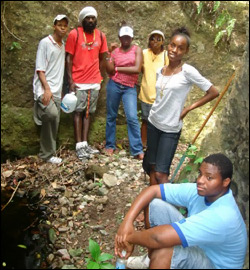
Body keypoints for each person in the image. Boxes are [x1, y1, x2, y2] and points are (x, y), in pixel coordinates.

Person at [115, 153, 247, 269]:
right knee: (154, 203)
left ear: (225, 182)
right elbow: (153, 190)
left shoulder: (222, 215)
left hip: (212, 264)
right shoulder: (203, 191)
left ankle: (158, 260)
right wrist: (127, 222)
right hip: (199, 248)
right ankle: (152, 260)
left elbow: (158, 238)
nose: (200, 180)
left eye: (209, 178)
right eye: (200, 173)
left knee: (164, 250)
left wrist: (128, 238)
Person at [146, 27, 219, 185]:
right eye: (173, 45)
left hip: (170, 128)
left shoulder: (187, 71)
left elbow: (213, 92)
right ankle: (149, 208)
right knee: (151, 167)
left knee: (161, 173)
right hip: (153, 122)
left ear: (186, 51)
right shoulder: (161, 70)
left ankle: (165, 207)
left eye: (180, 48)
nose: (175, 50)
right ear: (168, 45)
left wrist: (188, 108)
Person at [65, 6, 108, 159]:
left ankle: (85, 144)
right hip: (78, 81)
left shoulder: (101, 36)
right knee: (78, 111)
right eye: (87, 18)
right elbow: (68, 58)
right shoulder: (74, 34)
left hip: (94, 81)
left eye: (93, 18)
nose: (90, 21)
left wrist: (100, 77)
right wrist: (70, 80)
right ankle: (78, 146)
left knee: (89, 113)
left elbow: (103, 58)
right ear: (82, 20)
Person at [33, 14, 69, 164]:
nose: (62, 27)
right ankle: (46, 154)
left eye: (65, 25)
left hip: (56, 90)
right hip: (44, 89)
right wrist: (46, 89)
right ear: (54, 25)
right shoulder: (45, 43)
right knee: (51, 115)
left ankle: (49, 154)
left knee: (55, 122)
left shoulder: (63, 46)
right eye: (59, 24)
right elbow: (40, 69)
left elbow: (59, 69)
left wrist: (59, 89)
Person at [105, 25, 144, 159]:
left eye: (128, 37)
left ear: (132, 38)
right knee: (111, 115)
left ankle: (137, 149)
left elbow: (137, 69)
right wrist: (109, 54)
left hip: (129, 87)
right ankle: (110, 145)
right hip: (114, 85)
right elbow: (109, 70)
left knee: (132, 117)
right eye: (123, 37)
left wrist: (118, 68)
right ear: (120, 38)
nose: (126, 39)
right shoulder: (115, 52)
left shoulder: (137, 50)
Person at [139, 30, 168, 148]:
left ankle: (156, 145)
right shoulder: (144, 53)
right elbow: (141, 69)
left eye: (158, 39)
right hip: (145, 93)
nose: (155, 41)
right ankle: (143, 144)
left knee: (158, 122)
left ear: (163, 42)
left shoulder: (166, 55)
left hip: (159, 95)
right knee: (145, 121)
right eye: (152, 38)